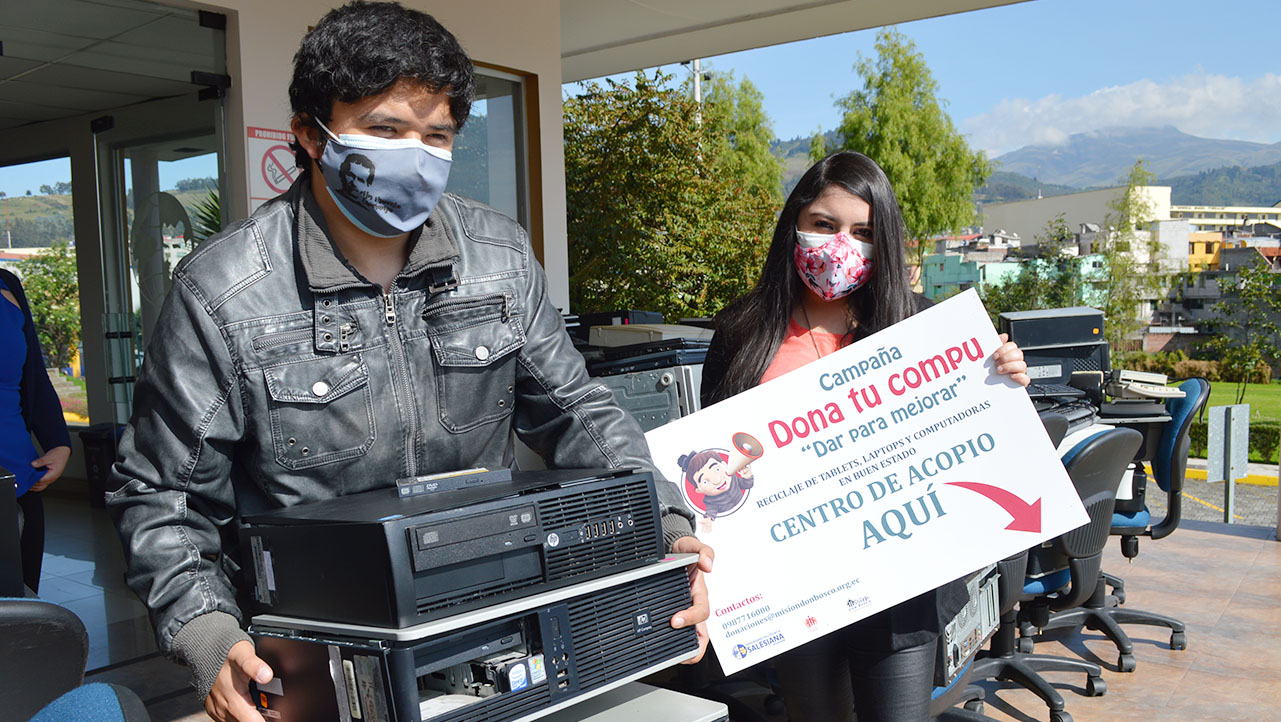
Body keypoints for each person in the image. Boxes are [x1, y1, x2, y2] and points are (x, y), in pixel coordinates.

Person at [106, 4, 712, 721]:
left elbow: (578, 411)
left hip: (489, 620)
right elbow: (164, 498)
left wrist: (666, 526)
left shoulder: (498, 255)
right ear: (309, 133)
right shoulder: (224, 291)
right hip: (313, 656)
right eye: (386, 130)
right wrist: (206, 634)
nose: (415, 155)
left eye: (437, 135)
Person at [700, 151, 1028, 722]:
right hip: (795, 591)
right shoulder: (740, 332)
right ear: (794, 225)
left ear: (885, 243)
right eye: (824, 225)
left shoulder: (923, 330)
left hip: (900, 587)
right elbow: (715, 470)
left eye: (862, 232)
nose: (840, 246)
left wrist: (1000, 378)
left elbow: (969, 438)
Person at [0, 269, 72, 593]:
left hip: (18, 486)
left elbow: (33, 375)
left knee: (18, 630)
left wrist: (58, 442)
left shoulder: (7, 285)